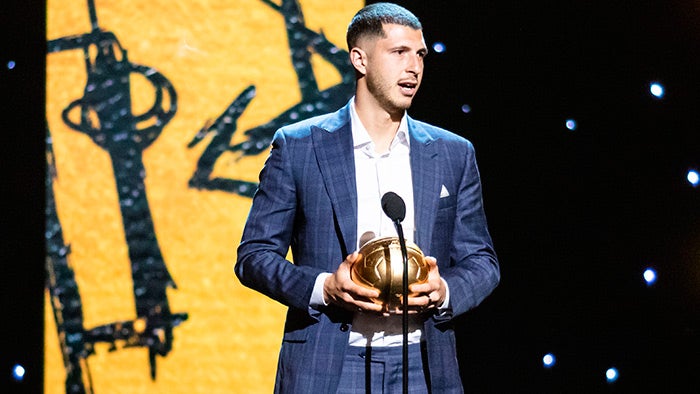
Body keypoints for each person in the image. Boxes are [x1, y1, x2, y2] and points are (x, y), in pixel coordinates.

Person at [235, 3, 499, 393]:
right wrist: (324, 288)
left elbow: (482, 262)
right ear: (359, 59)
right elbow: (254, 256)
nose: (414, 67)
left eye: (420, 54)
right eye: (399, 53)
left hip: (424, 366)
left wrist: (444, 291)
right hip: (329, 366)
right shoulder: (299, 147)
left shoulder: (452, 153)